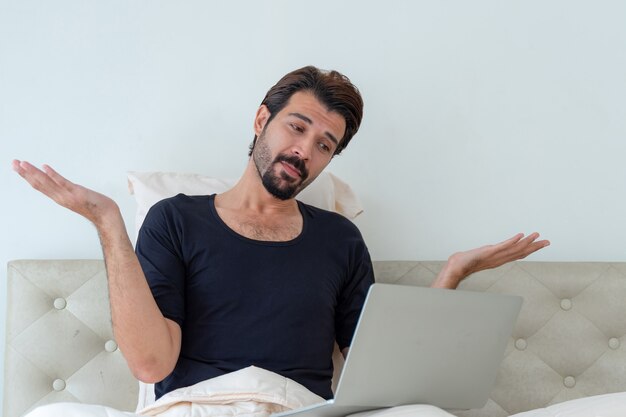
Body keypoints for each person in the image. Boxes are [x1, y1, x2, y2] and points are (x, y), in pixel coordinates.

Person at [13, 66, 549, 414]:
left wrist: (453, 272)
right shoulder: (175, 220)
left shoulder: (340, 239)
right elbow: (152, 365)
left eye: (324, 144)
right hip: (203, 406)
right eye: (296, 128)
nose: (304, 151)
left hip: (301, 408)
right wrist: (109, 224)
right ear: (262, 119)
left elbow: (379, 370)